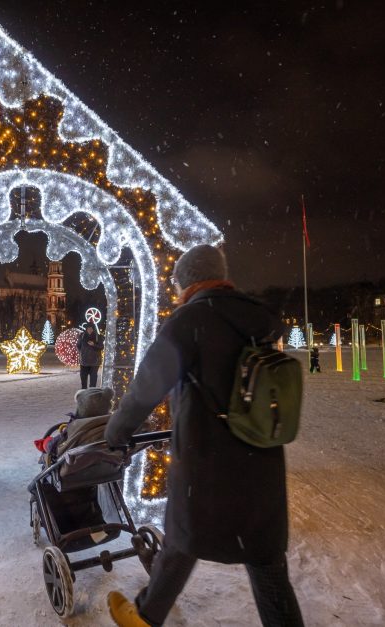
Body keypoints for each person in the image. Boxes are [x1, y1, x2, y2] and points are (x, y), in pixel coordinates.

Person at [104, 244, 304, 627]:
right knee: (265, 560)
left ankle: (143, 619)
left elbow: (146, 388)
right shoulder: (257, 321)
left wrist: (116, 431)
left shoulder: (188, 322)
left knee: (183, 537)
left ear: (189, 282)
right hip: (261, 461)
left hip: (207, 460)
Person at [77, 324, 104, 389]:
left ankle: (92, 391)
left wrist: (93, 345)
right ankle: (84, 392)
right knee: (83, 378)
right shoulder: (82, 336)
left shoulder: (98, 336)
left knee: (93, 379)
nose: (89, 330)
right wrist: (82, 353)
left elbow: (101, 347)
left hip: (95, 362)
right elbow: (78, 346)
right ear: (86, 329)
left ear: (93, 329)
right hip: (84, 361)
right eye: (88, 329)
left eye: (91, 329)